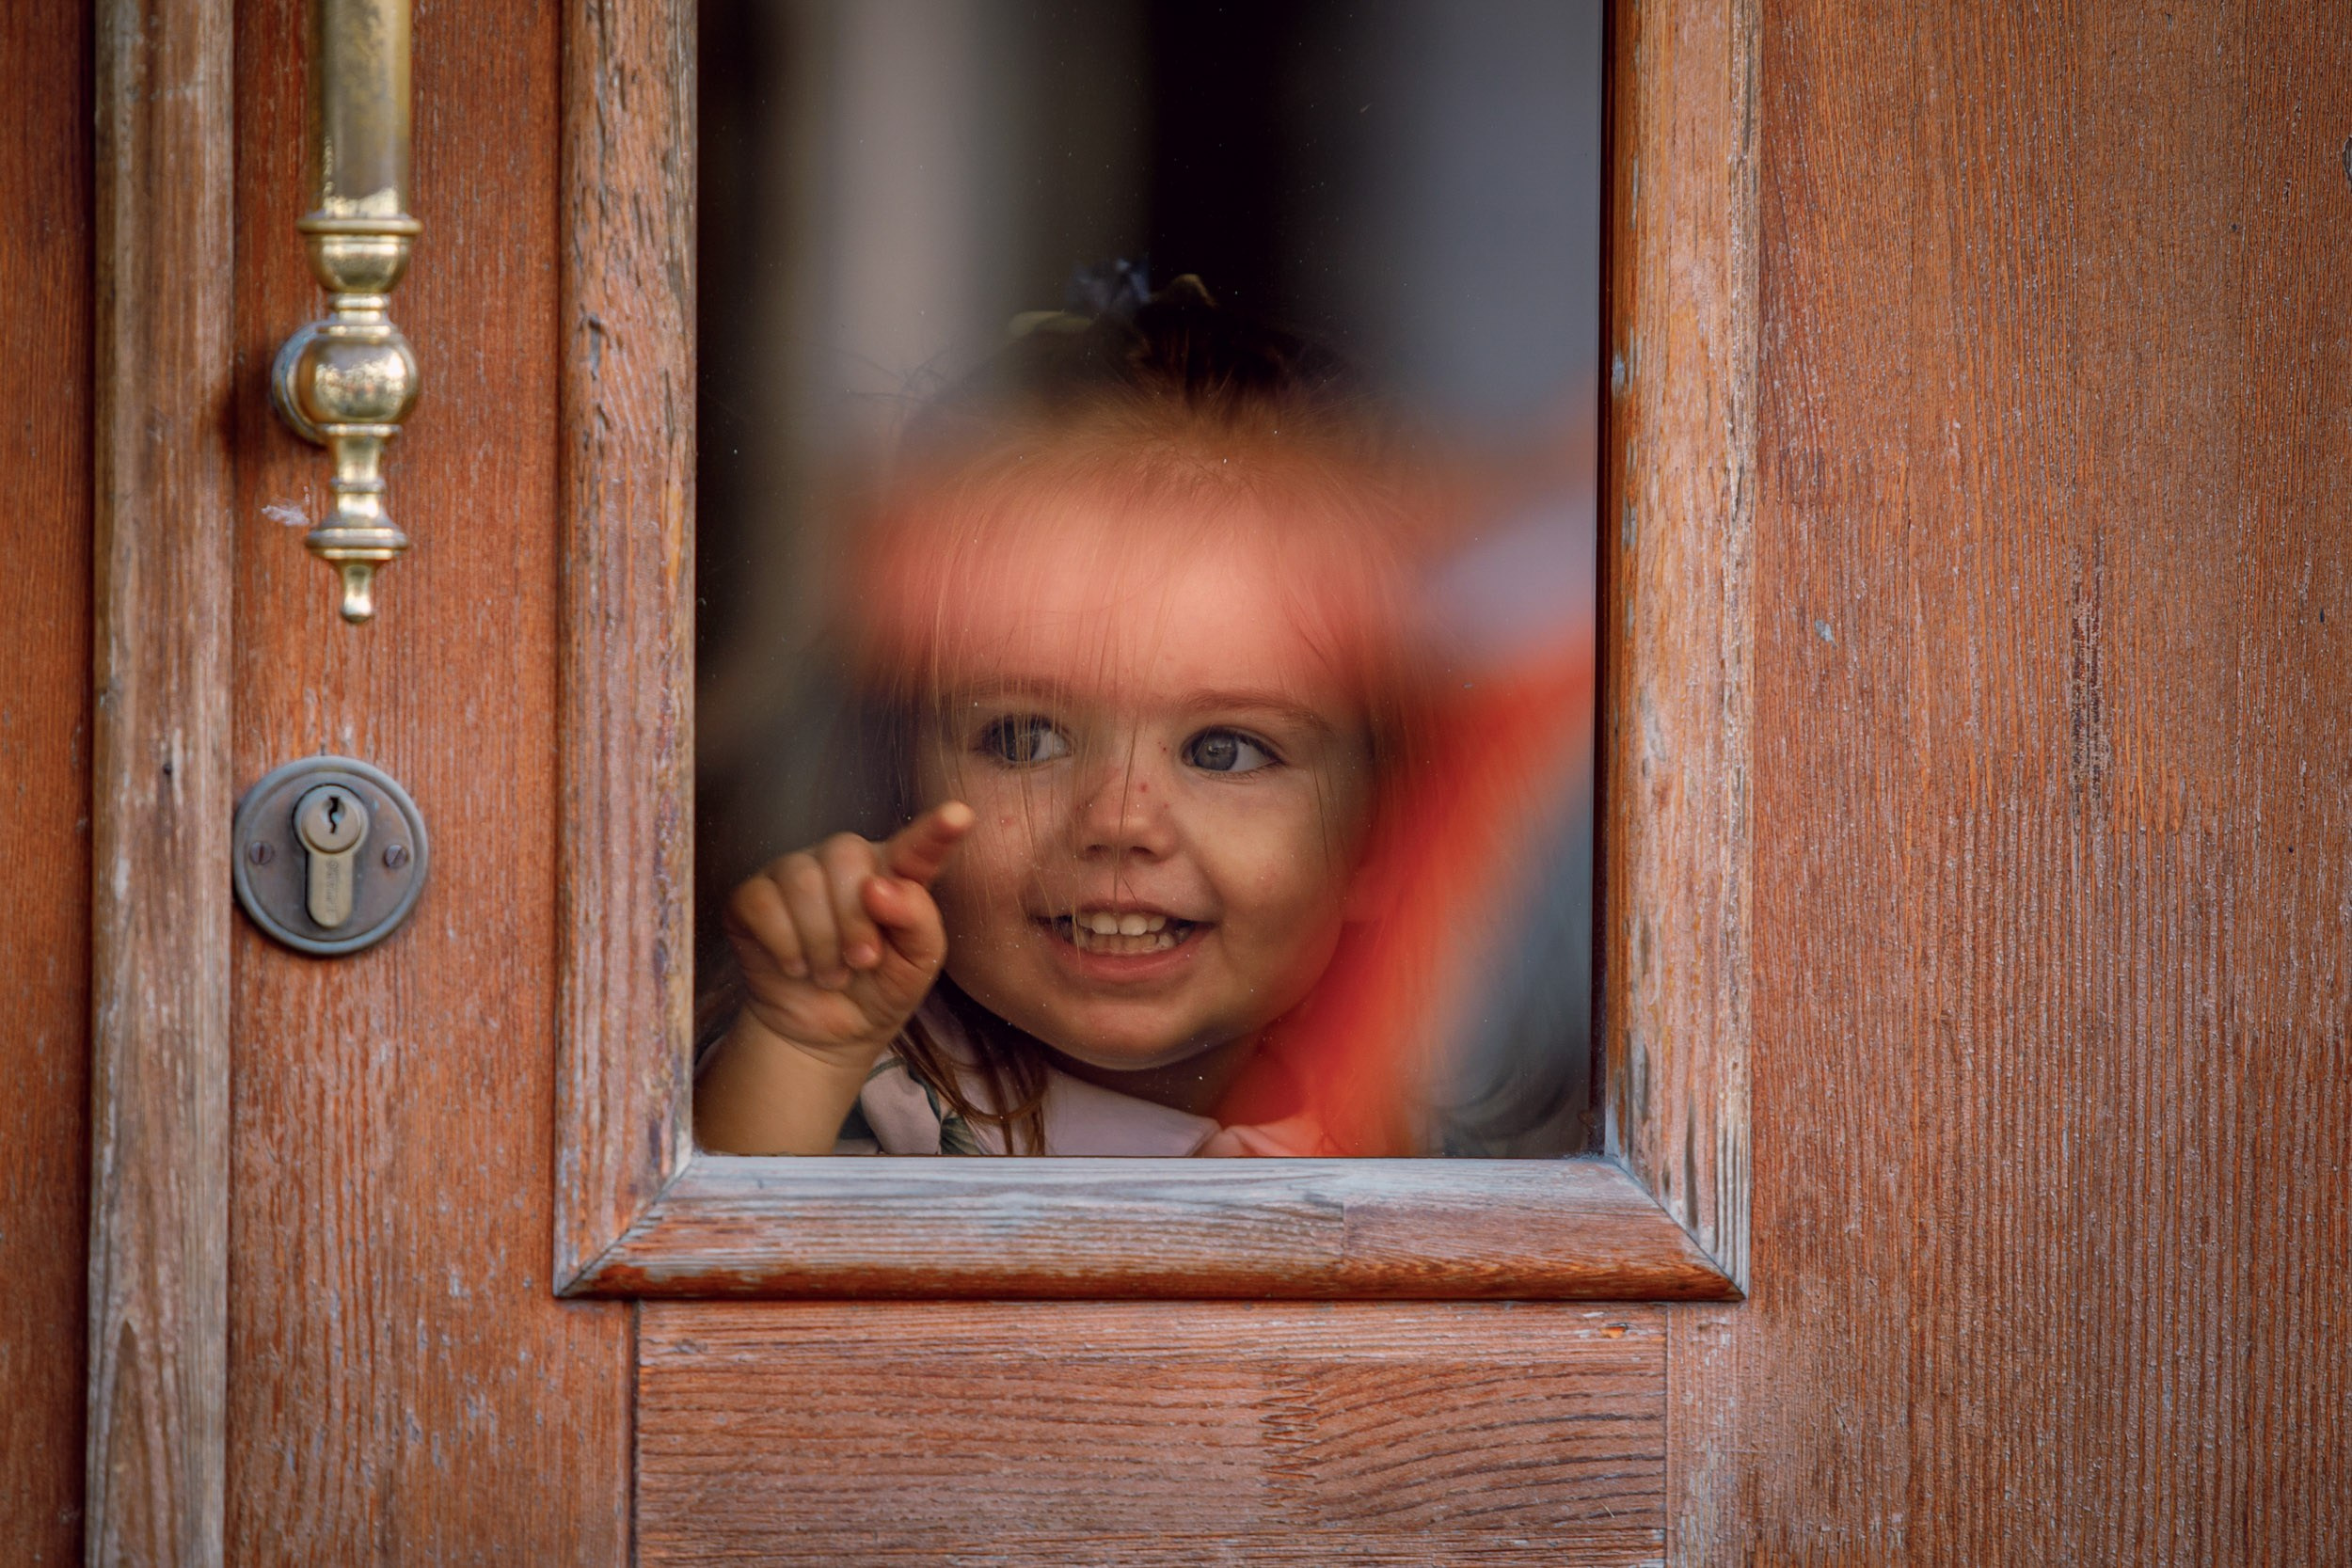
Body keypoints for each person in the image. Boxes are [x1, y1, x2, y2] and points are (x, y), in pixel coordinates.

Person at [693, 277, 1445, 1156]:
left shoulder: (1420, 1142)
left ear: (1381, 838)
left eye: (1225, 750)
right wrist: (798, 1049)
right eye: (1024, 738)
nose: (1119, 821)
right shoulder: (856, 1096)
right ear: (901, 781)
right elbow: (706, 1266)